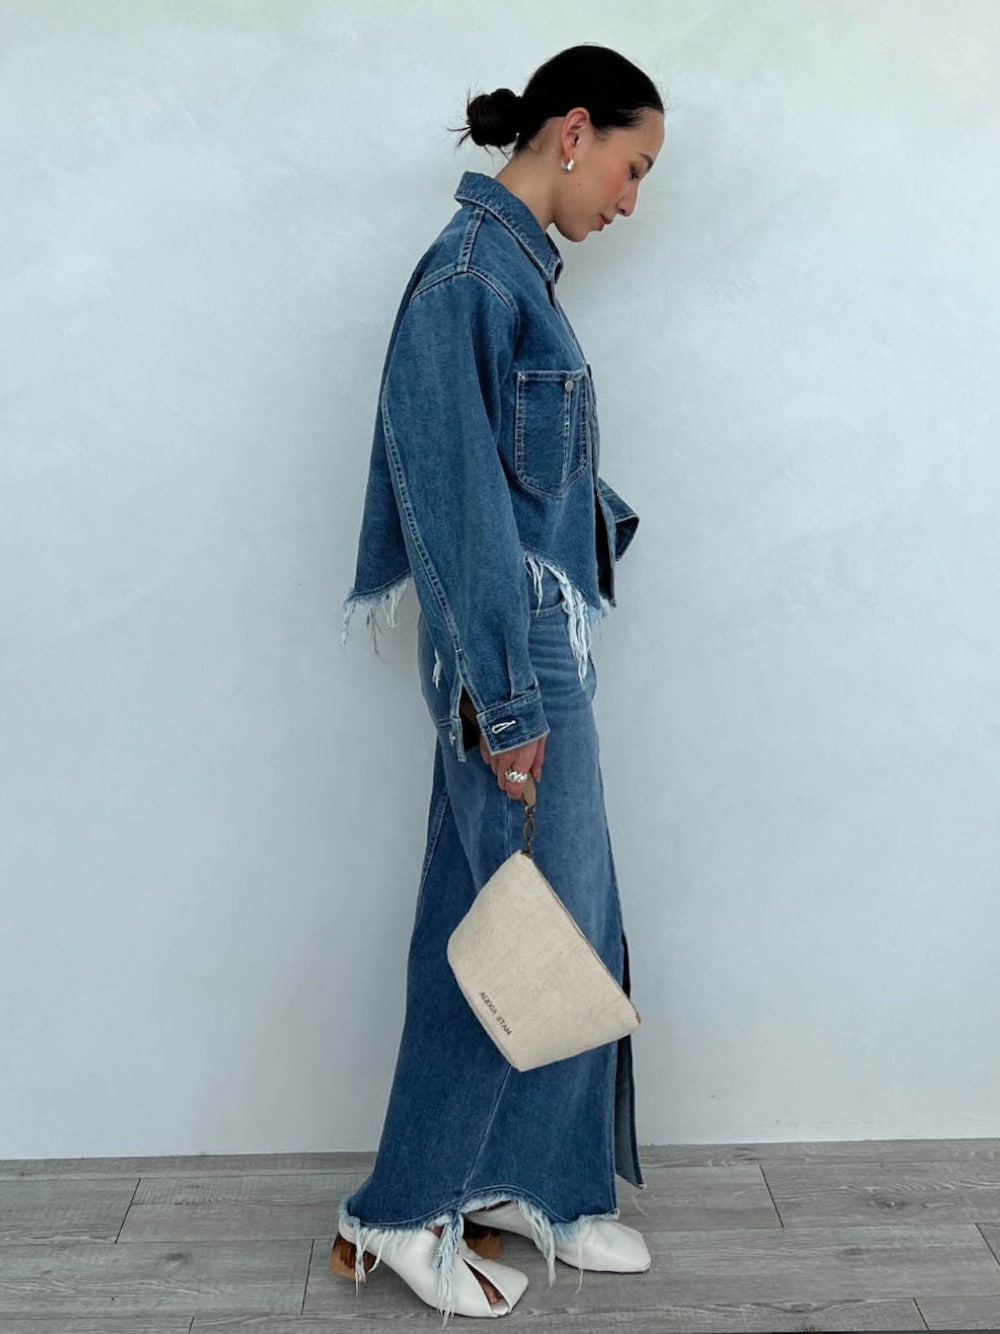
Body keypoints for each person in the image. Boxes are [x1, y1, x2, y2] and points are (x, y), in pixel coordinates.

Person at [333, 43, 665, 1322]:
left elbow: (528, 477)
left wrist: (592, 523)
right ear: (572, 131)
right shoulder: (468, 277)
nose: (630, 198)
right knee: (530, 931)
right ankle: (403, 1205)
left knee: (532, 916)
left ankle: (532, 1178)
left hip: (530, 638)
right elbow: (456, 500)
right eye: (631, 166)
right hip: (506, 651)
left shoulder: (517, 275)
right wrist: (505, 701)